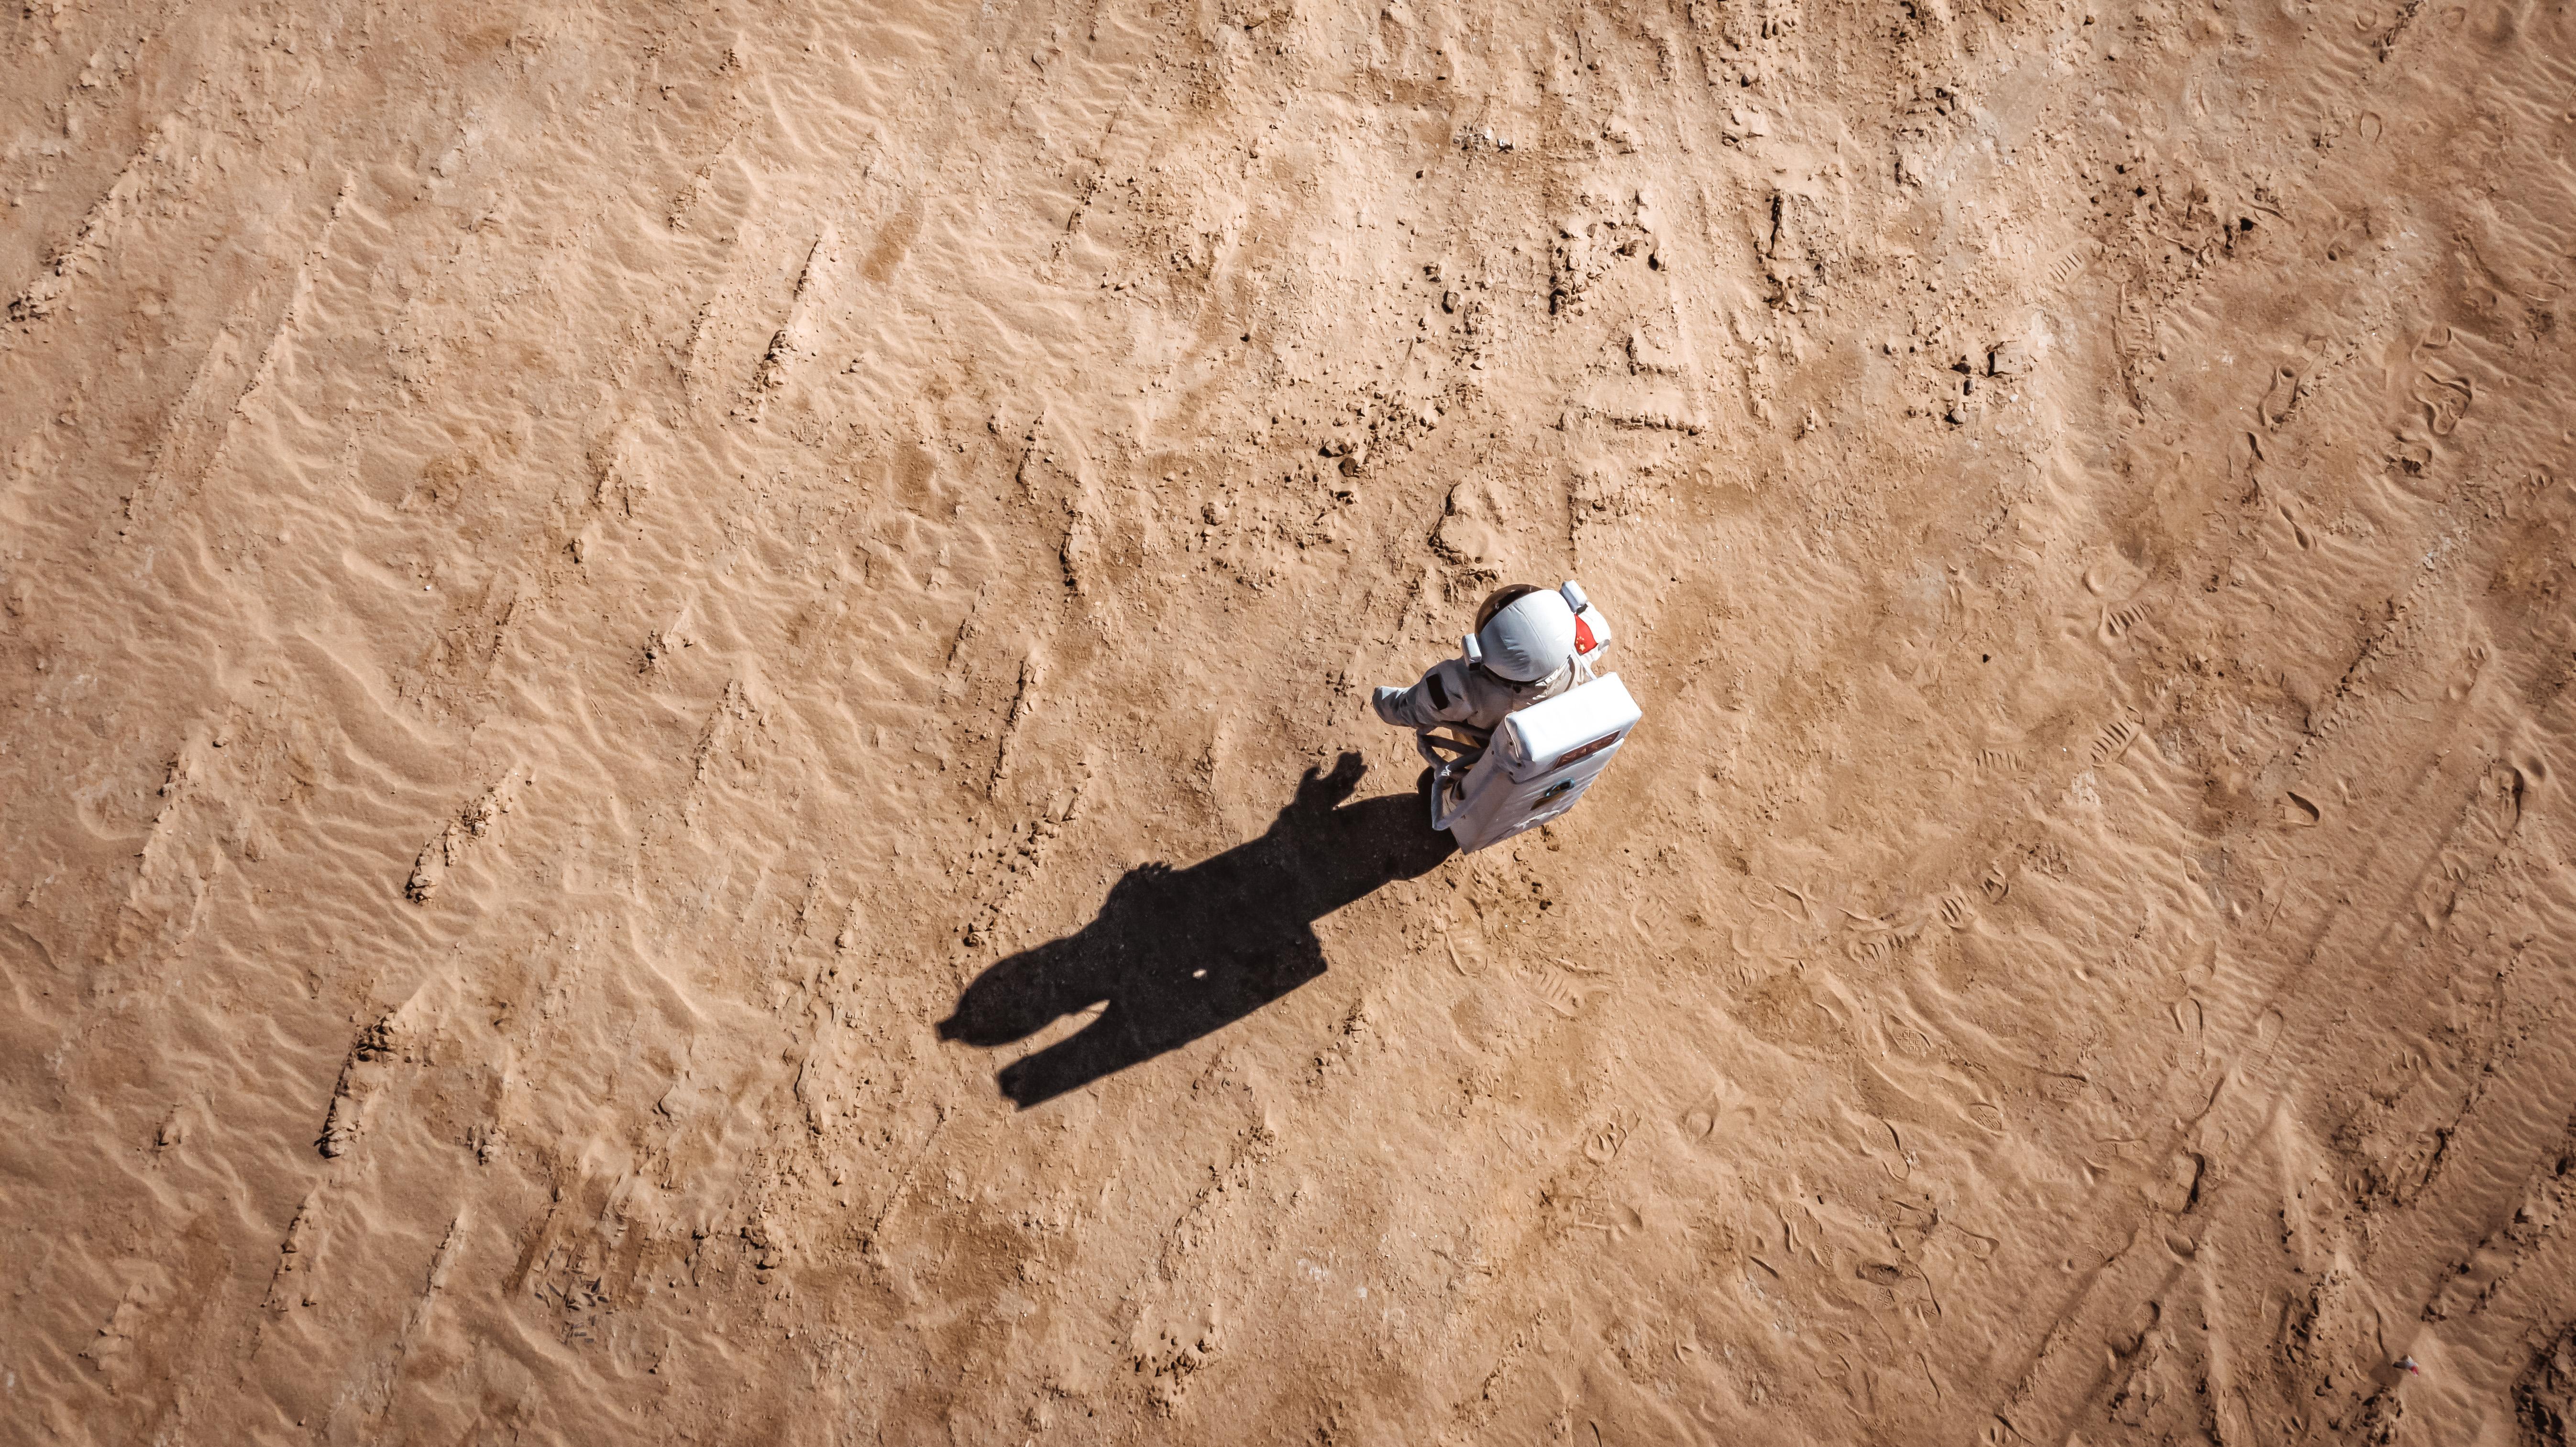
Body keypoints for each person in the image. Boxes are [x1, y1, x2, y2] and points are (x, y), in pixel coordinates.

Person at [1372, 582, 1602, 734]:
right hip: (1554, 728)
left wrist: (1381, 700)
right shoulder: (1591, 633)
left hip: (1494, 745)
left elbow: (1410, 709)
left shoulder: (1460, 686)